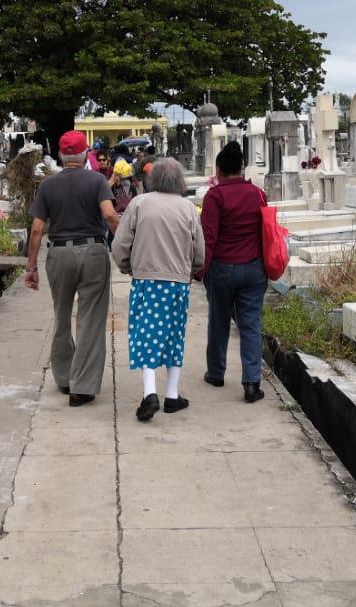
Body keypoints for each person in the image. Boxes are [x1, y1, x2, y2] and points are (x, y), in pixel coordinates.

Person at [25, 130, 120, 406]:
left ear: (61, 155)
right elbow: (110, 215)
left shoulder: (47, 186)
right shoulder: (97, 180)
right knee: (91, 318)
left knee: (62, 313)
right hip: (92, 251)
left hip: (59, 253)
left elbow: (37, 230)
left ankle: (65, 378)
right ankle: (83, 386)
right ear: (84, 155)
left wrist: (32, 267)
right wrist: (127, 246)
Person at [112, 158, 205, 421]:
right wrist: (190, 270)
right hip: (178, 283)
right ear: (179, 181)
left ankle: (150, 394)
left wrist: (128, 266)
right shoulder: (188, 208)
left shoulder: (139, 203)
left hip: (147, 281)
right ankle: (172, 395)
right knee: (174, 336)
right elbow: (199, 251)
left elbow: (120, 244)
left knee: (146, 335)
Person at [199, 141, 268, 402]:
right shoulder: (258, 194)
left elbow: (209, 238)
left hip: (222, 269)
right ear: (241, 167)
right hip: (253, 267)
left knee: (219, 320)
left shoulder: (214, 197)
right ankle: (251, 382)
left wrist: (200, 271)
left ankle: (216, 372)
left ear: (219, 169)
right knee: (250, 324)